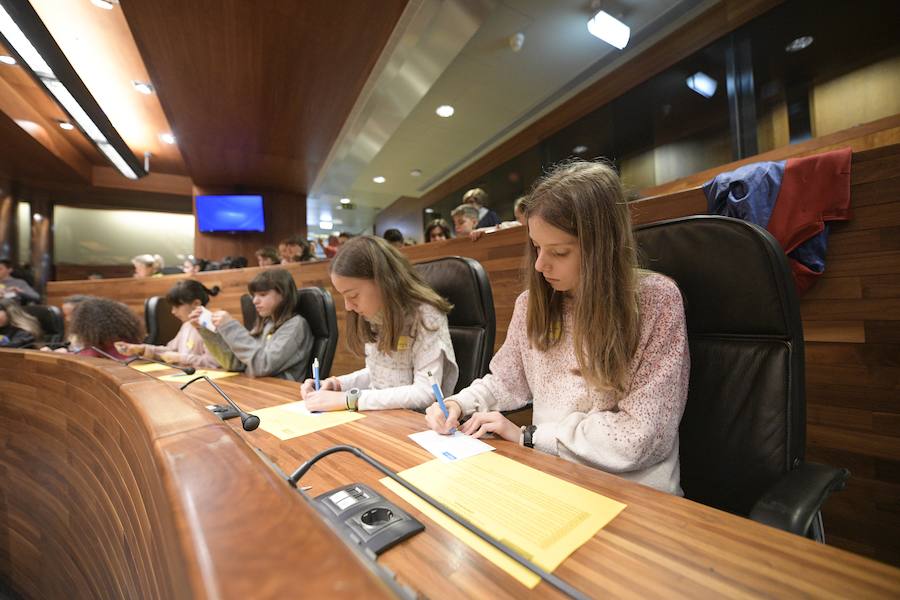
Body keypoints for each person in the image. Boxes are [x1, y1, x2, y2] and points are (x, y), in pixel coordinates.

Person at [425, 160, 690, 495]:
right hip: (552, 477)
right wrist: (461, 404)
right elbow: (508, 379)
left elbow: (642, 435)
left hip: (633, 493)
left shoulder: (655, 302)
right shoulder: (531, 304)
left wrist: (531, 437)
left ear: (602, 248)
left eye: (559, 252)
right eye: (536, 247)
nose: (540, 264)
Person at [301, 236, 457, 412]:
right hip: (383, 419)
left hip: (418, 425)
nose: (348, 306)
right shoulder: (375, 316)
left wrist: (350, 399)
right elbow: (378, 374)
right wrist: (337, 384)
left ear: (383, 282)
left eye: (353, 296)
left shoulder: (426, 315)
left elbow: (425, 393)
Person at [192, 267, 312, 380]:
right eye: (254, 295)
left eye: (263, 295)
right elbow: (235, 364)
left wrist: (230, 326)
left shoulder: (296, 325)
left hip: (283, 394)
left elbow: (262, 366)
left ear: (283, 295)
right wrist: (206, 330)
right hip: (259, 389)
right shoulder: (267, 323)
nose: (255, 301)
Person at [115, 280, 221, 369]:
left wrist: (180, 358)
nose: (173, 312)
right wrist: (140, 349)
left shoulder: (211, 325)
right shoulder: (186, 326)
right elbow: (170, 351)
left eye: (177, 306)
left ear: (196, 304)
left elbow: (214, 362)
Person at [68, 297, 144, 359]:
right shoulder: (130, 341)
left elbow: (85, 359)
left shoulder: (96, 349)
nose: (67, 319)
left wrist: (67, 354)